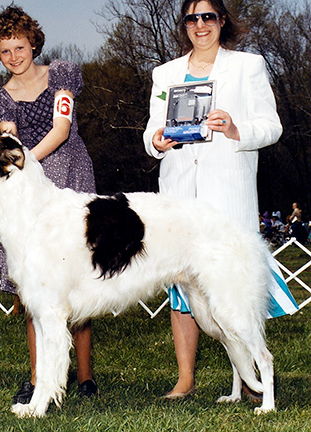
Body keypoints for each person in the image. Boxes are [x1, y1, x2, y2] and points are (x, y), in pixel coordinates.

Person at [143, 0, 298, 400]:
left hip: (226, 198)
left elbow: (272, 126)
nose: (200, 25)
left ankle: (250, 378)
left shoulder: (248, 66)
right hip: (178, 198)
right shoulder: (165, 74)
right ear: (184, 25)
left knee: (233, 291)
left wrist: (234, 128)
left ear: (221, 21)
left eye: (207, 17)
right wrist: (157, 140)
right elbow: (151, 133)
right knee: (182, 290)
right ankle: (184, 380)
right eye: (192, 18)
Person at [0, 5, 98, 403]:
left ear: (33, 43)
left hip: (68, 175)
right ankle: (38, 379)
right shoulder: (0, 99)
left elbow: (62, 129)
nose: (14, 57)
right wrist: (25, 165)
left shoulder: (61, 74)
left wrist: (28, 161)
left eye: (19, 47)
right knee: (31, 290)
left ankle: (84, 379)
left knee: (76, 281)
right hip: (27, 193)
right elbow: (9, 141)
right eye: (5, 52)